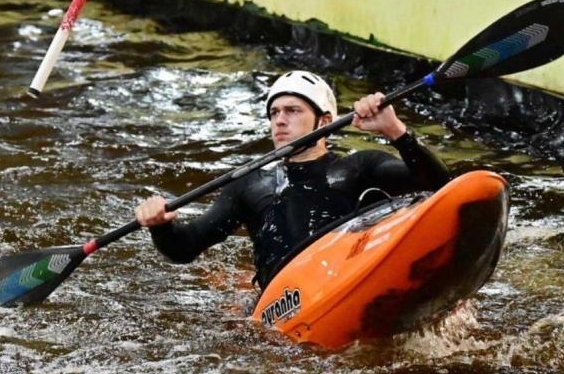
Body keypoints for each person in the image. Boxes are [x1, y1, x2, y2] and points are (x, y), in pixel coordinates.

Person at [135, 70, 450, 290]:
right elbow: (185, 248)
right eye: (274, 113)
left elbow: (438, 187)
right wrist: (161, 226)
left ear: (324, 120)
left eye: (292, 110)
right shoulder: (249, 185)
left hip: (349, 277)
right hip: (286, 301)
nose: (279, 120)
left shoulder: (360, 167)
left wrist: (396, 132)